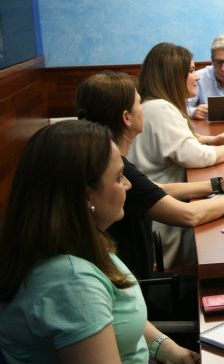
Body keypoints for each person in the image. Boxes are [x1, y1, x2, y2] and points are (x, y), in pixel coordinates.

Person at [0, 120, 199, 363]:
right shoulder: (70, 283)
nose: (128, 184)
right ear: (86, 196)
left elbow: (120, 316)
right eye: (118, 177)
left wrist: (168, 349)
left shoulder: (77, 240)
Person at [76, 70, 224, 279]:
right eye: (140, 104)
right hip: (135, 285)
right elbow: (190, 215)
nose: (145, 109)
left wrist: (218, 184)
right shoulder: (112, 167)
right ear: (126, 118)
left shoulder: (101, 157)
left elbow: (154, 188)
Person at [129, 42, 224, 270]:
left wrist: (210, 139)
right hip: (165, 223)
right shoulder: (160, 108)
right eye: (192, 71)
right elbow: (198, 157)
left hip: (163, 204)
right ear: (173, 75)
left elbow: (178, 142)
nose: (198, 77)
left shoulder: (157, 105)